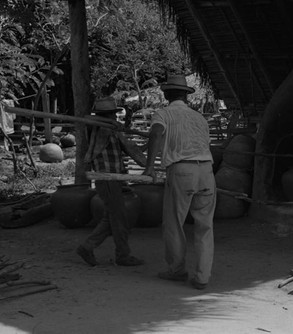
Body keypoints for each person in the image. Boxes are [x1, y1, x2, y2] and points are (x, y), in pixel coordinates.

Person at [143, 75, 216, 290]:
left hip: (182, 170)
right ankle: (202, 277)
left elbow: (156, 134)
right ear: (186, 96)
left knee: (174, 223)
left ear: (166, 95)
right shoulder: (199, 118)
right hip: (206, 170)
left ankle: (176, 270)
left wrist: (149, 166)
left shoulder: (163, 114)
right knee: (205, 226)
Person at [76, 97, 144, 267]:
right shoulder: (95, 127)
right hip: (106, 177)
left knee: (112, 216)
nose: (115, 118)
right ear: (106, 115)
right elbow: (88, 118)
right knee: (118, 216)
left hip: (116, 177)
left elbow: (131, 150)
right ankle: (123, 255)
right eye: (113, 115)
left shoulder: (114, 131)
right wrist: (109, 123)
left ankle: (87, 246)